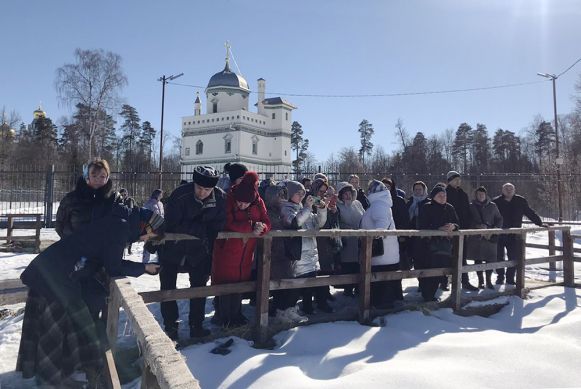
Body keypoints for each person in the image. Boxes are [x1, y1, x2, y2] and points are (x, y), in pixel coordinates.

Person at [16, 205, 162, 387]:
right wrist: (144, 268)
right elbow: (113, 266)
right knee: (52, 330)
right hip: (55, 277)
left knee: (58, 327)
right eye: (149, 235)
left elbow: (102, 256)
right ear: (145, 227)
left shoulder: (117, 222)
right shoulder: (120, 228)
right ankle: (51, 380)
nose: (145, 239)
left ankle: (57, 374)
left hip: (53, 272)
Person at [157, 166, 226, 340]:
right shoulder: (180, 195)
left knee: (199, 288)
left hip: (200, 251)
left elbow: (219, 224)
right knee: (168, 288)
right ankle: (171, 327)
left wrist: (204, 234)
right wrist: (200, 229)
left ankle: (197, 325)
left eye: (207, 189)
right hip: (172, 248)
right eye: (199, 188)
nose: (202, 192)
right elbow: (172, 223)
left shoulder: (220, 198)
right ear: (194, 183)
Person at [211, 172, 271, 327]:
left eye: (245, 203)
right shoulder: (229, 197)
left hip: (246, 250)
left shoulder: (258, 201)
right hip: (227, 248)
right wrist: (251, 227)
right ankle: (223, 316)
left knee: (240, 281)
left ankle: (236, 314)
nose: (241, 205)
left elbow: (266, 221)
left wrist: (261, 228)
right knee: (225, 282)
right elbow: (227, 222)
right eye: (240, 202)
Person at [280, 181, 328, 314]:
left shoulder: (305, 209)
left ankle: (308, 309)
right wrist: (307, 207)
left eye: (303, 193)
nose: (301, 196)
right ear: (289, 194)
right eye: (298, 193)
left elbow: (319, 223)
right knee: (296, 288)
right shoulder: (286, 208)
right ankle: (286, 312)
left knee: (310, 287)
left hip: (312, 255)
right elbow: (295, 223)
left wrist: (322, 209)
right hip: (297, 256)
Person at [493, 183, 545, 285]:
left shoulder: (520, 201)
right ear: (502, 190)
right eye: (506, 188)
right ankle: (500, 277)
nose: (508, 190)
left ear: (514, 190)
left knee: (514, 256)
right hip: (499, 233)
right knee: (499, 257)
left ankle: (510, 278)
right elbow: (490, 215)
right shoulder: (496, 201)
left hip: (514, 234)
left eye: (511, 188)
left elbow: (530, 212)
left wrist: (539, 223)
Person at [360, 180, 402, 308]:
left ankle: (381, 307)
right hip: (386, 254)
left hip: (382, 255)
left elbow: (381, 223)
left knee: (381, 287)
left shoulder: (379, 205)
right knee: (385, 285)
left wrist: (376, 233)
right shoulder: (382, 204)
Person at [55, 159, 119, 238]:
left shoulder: (114, 200)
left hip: (105, 249)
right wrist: (73, 240)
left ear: (107, 178)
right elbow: (60, 225)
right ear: (87, 176)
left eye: (102, 176)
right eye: (94, 175)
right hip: (76, 248)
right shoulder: (71, 199)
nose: (98, 179)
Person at [417, 184, 460, 302]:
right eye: (439, 195)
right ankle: (427, 295)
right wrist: (438, 228)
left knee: (441, 271)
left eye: (444, 195)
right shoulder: (427, 207)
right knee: (429, 270)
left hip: (445, 245)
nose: (442, 197)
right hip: (428, 245)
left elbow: (458, 223)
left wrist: (453, 226)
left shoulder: (450, 208)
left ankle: (431, 293)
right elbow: (422, 225)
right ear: (434, 197)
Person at [445, 171, 479, 291]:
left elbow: (467, 212)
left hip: (462, 229)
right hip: (448, 230)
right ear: (449, 180)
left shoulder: (463, 194)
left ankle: (465, 281)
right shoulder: (444, 193)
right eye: (456, 179)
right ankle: (444, 282)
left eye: (459, 179)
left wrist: (468, 227)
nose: (458, 181)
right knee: (446, 256)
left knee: (462, 257)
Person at [467, 186, 503, 289]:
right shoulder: (471, 206)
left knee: (490, 259)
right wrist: (476, 226)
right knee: (477, 259)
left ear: (486, 195)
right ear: (476, 195)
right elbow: (467, 220)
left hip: (489, 237)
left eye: (482, 194)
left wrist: (494, 229)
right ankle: (481, 281)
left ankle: (488, 280)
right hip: (476, 238)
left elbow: (499, 219)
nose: (481, 196)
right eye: (479, 194)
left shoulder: (492, 206)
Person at [336, 181, 365, 296]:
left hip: (359, 238)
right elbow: (337, 222)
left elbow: (364, 216)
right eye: (345, 194)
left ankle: (359, 288)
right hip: (347, 240)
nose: (348, 196)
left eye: (349, 193)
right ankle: (348, 289)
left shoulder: (357, 203)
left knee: (359, 264)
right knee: (348, 265)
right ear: (340, 195)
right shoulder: (338, 206)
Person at [142, 189, 164, 263]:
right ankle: (145, 262)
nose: (162, 195)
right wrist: (147, 228)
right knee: (148, 244)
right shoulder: (149, 203)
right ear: (157, 194)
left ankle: (160, 261)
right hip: (149, 227)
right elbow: (144, 216)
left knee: (159, 244)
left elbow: (162, 215)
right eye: (161, 194)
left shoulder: (161, 204)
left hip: (159, 227)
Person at [119, 188, 137, 254]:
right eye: (122, 194)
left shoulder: (130, 200)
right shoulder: (118, 200)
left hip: (130, 219)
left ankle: (129, 249)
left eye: (125, 194)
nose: (124, 196)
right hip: (121, 220)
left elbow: (133, 209)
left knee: (130, 235)